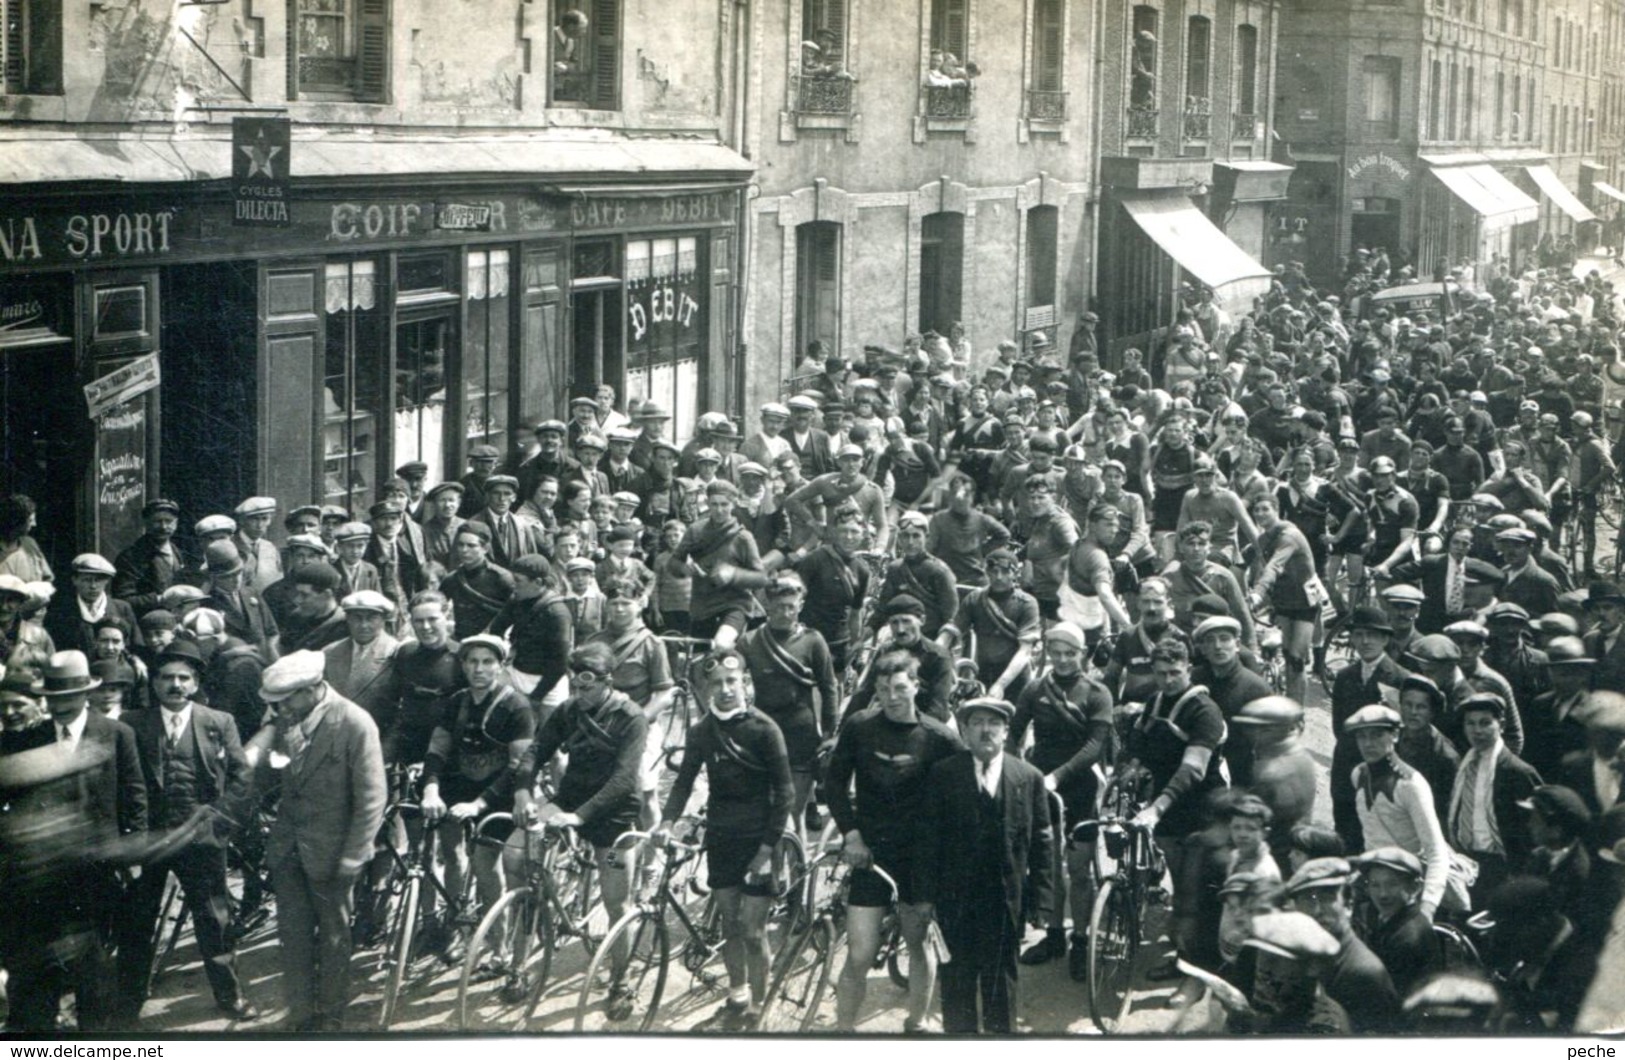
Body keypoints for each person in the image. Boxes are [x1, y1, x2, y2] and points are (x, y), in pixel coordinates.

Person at [115, 641, 258, 1024]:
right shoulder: (131, 723)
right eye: (167, 678)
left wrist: (221, 823)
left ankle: (230, 995)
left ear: (195, 683)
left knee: (215, 920)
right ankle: (127, 1002)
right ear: (155, 683)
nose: (175, 685)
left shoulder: (218, 722)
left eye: (183, 678)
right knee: (137, 921)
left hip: (201, 841)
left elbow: (242, 778)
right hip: (150, 842)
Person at [501, 641, 646, 1018]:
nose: (578, 695)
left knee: (618, 900)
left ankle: (621, 981)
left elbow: (625, 779)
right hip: (568, 802)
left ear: (608, 682)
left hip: (612, 817)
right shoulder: (568, 710)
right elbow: (537, 751)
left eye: (587, 688)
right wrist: (522, 793)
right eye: (574, 687)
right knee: (518, 854)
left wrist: (580, 817)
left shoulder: (631, 717)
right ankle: (519, 962)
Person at [245, 649, 386, 1032]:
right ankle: (302, 1012)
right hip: (289, 849)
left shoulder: (356, 724)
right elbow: (274, 773)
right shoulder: (290, 718)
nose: (278, 710)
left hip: (334, 853)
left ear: (312, 689)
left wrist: (355, 856)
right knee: (292, 936)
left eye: (284, 700)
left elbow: (372, 798)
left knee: (334, 939)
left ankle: (332, 1016)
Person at [656, 649, 794, 1031]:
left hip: (760, 840)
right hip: (722, 837)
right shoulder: (702, 731)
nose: (725, 689)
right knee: (730, 925)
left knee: (752, 931)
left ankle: (760, 1005)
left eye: (732, 681)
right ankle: (737, 994)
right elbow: (683, 781)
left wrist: (767, 850)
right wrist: (666, 822)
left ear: (745, 682)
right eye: (716, 683)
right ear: (706, 689)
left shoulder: (765, 729)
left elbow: (785, 795)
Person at [825, 649, 962, 1033]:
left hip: (920, 858)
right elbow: (833, 783)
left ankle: (915, 1024)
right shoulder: (859, 726)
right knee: (859, 953)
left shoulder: (940, 738)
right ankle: (843, 1032)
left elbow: (964, 792)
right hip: (871, 854)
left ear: (916, 687)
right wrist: (851, 834)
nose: (892, 696)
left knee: (918, 944)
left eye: (900, 687)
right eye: (883, 689)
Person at [920, 695, 1054, 1033]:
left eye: (993, 724)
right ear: (964, 731)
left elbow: (1042, 842)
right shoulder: (943, 775)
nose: (985, 731)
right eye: (977, 723)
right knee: (957, 980)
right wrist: (925, 897)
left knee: (1001, 979)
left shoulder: (1029, 777)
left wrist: (1042, 900)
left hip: (1004, 898)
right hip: (955, 899)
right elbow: (927, 839)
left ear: (1007, 731)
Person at [1006, 621, 1113, 977]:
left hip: (1079, 787)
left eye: (1071, 653)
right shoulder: (1035, 689)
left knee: (1079, 871)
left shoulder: (1097, 693)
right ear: (1048, 653)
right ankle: (1054, 935)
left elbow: (1095, 747)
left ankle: (1081, 939)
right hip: (1041, 788)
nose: (1063, 660)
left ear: (1082, 654)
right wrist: (1015, 770)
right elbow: (1014, 733)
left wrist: (1058, 776)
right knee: (1048, 866)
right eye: (1057, 653)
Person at [421, 634, 534, 955]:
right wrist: (431, 788)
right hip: (462, 785)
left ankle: (499, 945)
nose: (479, 669)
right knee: (451, 852)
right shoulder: (456, 701)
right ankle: (458, 923)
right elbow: (438, 749)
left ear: (501, 666)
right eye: (472, 661)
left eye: (487, 662)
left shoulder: (517, 706)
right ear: (463, 665)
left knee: (486, 866)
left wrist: (479, 804)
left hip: (501, 792)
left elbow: (517, 765)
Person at [737, 573, 838, 824]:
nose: (785, 612)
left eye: (791, 607)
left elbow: (829, 687)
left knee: (793, 815)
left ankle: (795, 864)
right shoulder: (750, 641)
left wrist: (828, 732)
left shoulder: (813, 640)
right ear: (768, 605)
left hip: (800, 735)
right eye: (779, 606)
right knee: (764, 812)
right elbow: (731, 675)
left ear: (800, 606)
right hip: (762, 734)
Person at [1344, 705, 1452, 920]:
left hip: (1406, 887)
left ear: (1394, 735)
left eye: (1376, 735)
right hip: (1374, 883)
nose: (1368, 744)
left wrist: (1427, 908)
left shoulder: (1410, 784)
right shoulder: (1359, 775)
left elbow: (1436, 851)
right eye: (1361, 737)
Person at [1281, 857, 1400, 1032]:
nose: (1317, 910)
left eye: (1327, 898)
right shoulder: (1305, 955)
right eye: (1308, 899)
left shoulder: (1363, 973)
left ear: (1348, 905)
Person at [1448, 692, 1541, 905]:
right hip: (1467, 863)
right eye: (1470, 723)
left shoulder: (1517, 771)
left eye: (1485, 723)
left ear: (1501, 725)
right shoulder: (1465, 766)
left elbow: (1534, 831)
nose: (1477, 730)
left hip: (1503, 866)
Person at [1352, 846, 1441, 999]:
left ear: (1415, 887)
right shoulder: (1389, 922)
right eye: (1375, 885)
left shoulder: (1408, 937)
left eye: (1392, 884)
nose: (1383, 894)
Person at [321, 590, 402, 730]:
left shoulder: (396, 653)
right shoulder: (330, 652)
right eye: (357, 618)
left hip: (378, 738)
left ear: (383, 619)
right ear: (347, 619)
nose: (364, 625)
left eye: (371, 618)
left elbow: (401, 712)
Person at [44, 553, 140, 658]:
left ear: (107, 581)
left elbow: (135, 646)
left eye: (99, 580)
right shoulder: (61, 610)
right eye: (86, 580)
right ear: (75, 580)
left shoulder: (122, 608)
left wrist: (134, 659)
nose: (93, 586)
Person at [112, 499, 191, 615]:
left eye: (169, 521)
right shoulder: (131, 557)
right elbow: (122, 600)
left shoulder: (177, 552)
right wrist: (160, 599)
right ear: (146, 523)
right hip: (148, 623)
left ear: (176, 523)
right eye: (157, 521)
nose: (163, 527)